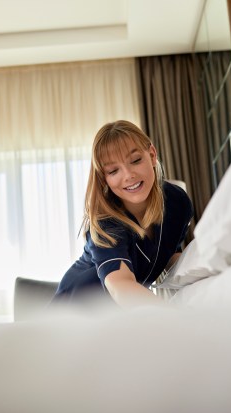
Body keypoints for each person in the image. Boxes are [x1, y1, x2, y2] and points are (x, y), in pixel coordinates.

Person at [51, 120, 193, 310]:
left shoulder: (177, 202)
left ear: (152, 155)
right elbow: (121, 286)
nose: (128, 175)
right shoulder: (105, 224)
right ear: (105, 179)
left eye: (135, 161)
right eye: (113, 170)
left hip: (117, 315)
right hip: (73, 311)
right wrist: (179, 318)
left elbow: (171, 255)